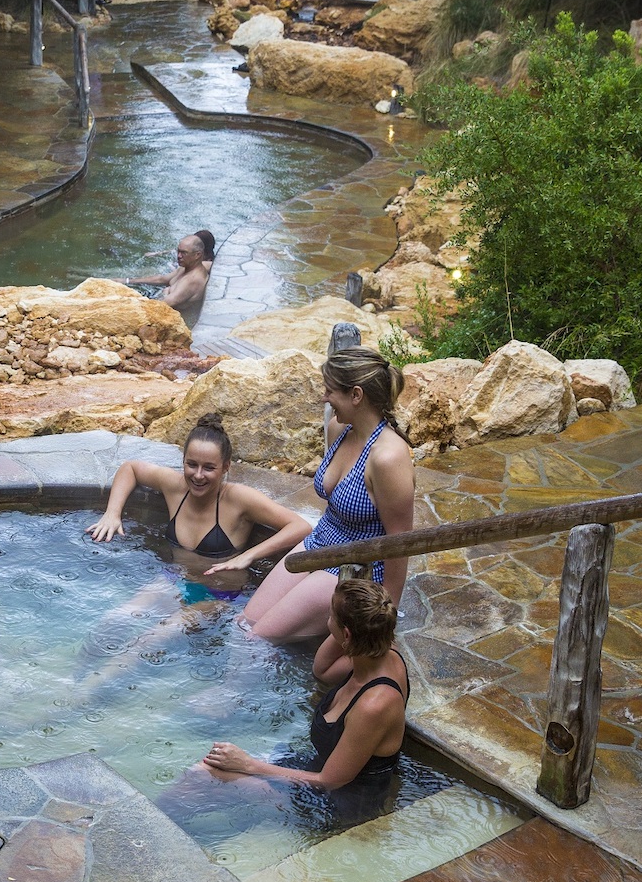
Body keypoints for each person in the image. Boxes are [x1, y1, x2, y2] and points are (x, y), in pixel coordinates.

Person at [159, 579, 411, 827]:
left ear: (346, 633)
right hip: (313, 769)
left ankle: (156, 831)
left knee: (205, 777)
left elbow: (330, 781)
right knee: (202, 773)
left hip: (335, 803)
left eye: (330, 616)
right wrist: (345, 623)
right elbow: (321, 670)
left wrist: (248, 765)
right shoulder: (380, 650)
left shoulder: (374, 705)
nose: (326, 621)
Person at [242, 347, 414, 643]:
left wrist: (387, 616)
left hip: (358, 565)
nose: (324, 398)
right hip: (319, 542)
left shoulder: (388, 458)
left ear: (356, 395)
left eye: (329, 390)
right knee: (245, 624)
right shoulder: (339, 428)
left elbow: (399, 542)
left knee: (256, 640)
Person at [86, 414, 310, 602]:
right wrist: (112, 514)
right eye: (191, 464)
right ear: (183, 460)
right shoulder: (175, 486)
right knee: (116, 620)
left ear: (225, 467)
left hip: (219, 590)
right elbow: (130, 468)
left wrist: (249, 555)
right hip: (175, 576)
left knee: (148, 641)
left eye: (209, 468)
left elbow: (301, 526)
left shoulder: (238, 499)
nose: (198, 475)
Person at [128, 231, 215, 312]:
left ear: (197, 255)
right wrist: (127, 281)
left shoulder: (192, 281)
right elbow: (161, 279)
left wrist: (165, 293)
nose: (178, 256)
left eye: (184, 253)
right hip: (156, 300)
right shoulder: (186, 267)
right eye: (178, 251)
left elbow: (161, 305)